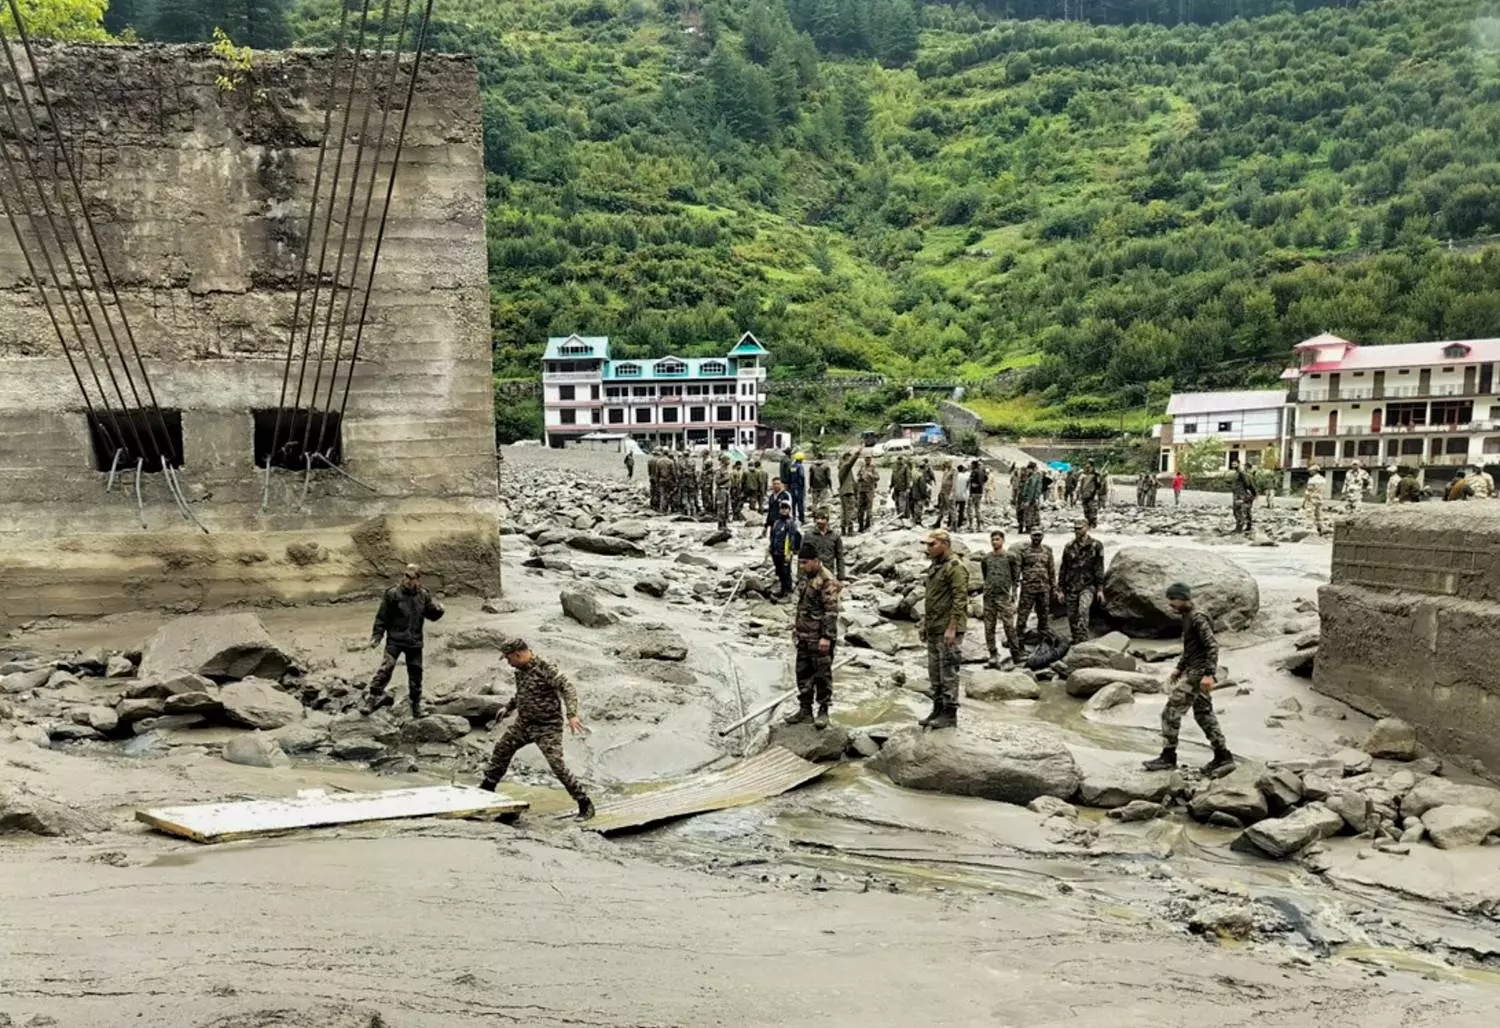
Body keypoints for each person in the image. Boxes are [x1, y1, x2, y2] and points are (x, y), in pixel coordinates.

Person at [479, 638, 593, 820]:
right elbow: (522, 693)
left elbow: (568, 688)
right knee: (502, 749)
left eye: (508, 658)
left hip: (547, 727)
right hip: (524, 724)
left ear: (518, 654)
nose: (508, 662)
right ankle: (486, 789)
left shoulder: (545, 668)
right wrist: (508, 707)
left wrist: (572, 714)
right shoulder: (520, 671)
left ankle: (584, 803)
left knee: (557, 765)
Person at [1143, 583, 1235, 775]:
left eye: (1172, 599)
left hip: (1198, 674)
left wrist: (1208, 675)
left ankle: (1168, 757)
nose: (1170, 604)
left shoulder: (1197, 617)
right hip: (1195, 671)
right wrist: (1179, 668)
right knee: (1203, 714)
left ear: (1183, 598)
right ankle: (1223, 756)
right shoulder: (1188, 616)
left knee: (1170, 712)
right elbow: (1191, 647)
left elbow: (1212, 646)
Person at [363, 564, 444, 717]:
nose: (407, 580)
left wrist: (440, 610)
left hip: (414, 642)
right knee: (386, 668)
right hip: (395, 640)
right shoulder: (393, 594)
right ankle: (371, 698)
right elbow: (382, 617)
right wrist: (377, 636)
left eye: (411, 578)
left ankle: (416, 707)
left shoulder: (423, 595)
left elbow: (431, 614)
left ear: (418, 579)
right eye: (406, 576)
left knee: (416, 674)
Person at [786, 542, 841, 729]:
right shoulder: (806, 577)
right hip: (804, 635)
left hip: (819, 637)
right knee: (802, 672)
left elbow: (831, 612)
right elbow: (802, 605)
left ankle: (823, 710)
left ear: (816, 561)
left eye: (805, 562)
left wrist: (826, 637)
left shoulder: (827, 580)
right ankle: (805, 709)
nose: (802, 566)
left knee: (822, 674)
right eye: (800, 562)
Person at [918, 529, 968, 730]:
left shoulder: (955, 567)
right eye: (927, 545)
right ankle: (937, 708)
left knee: (948, 670)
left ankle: (949, 713)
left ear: (945, 544)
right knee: (934, 672)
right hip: (934, 625)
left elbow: (960, 599)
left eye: (932, 544)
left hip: (947, 627)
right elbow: (931, 598)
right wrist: (925, 624)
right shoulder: (936, 565)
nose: (928, 548)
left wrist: (952, 628)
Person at [1057, 520, 1104, 645]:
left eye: (1080, 528)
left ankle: (1083, 640)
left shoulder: (1096, 545)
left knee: (1083, 610)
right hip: (1071, 586)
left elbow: (1099, 567)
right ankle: (1075, 639)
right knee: (1072, 615)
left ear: (1087, 528)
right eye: (1075, 528)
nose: (1077, 531)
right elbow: (1063, 568)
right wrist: (1060, 589)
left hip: (1088, 585)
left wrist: (1100, 589)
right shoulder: (1069, 547)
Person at [980, 529, 1021, 668]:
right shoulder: (986, 558)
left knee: (1009, 626)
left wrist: (1014, 593)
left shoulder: (1010, 557)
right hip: (989, 597)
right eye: (992, 539)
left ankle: (1016, 653)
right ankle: (992, 654)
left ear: (1003, 540)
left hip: (1004, 596)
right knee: (989, 627)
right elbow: (985, 575)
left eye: (997, 539)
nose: (994, 542)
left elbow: (1015, 578)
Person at [1015, 530, 1055, 639]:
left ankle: (1043, 636)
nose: (1037, 538)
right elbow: (1017, 570)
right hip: (1028, 589)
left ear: (1043, 536)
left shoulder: (1047, 551)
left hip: (1043, 588)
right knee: (1023, 614)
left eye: (1039, 535)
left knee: (1043, 614)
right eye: (1034, 535)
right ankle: (1019, 636)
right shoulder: (1024, 551)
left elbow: (1051, 570)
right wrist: (1015, 587)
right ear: (1030, 536)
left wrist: (1054, 587)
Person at [769, 499, 802, 599]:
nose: (784, 510)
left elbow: (792, 538)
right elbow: (773, 536)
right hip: (776, 552)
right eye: (782, 508)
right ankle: (782, 590)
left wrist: (790, 551)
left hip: (785, 552)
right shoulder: (777, 522)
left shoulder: (790, 523)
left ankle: (788, 592)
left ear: (789, 509)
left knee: (786, 572)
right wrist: (770, 548)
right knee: (779, 572)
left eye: (786, 508)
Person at [804, 506, 845, 581]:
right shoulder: (808, 535)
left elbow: (840, 557)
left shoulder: (835, 536)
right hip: (812, 575)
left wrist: (841, 576)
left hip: (829, 574)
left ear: (827, 520)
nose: (819, 521)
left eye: (822, 518)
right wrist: (801, 577)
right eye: (817, 518)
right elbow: (802, 557)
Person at [1230, 458, 1257, 534]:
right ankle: (1248, 527)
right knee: (1246, 511)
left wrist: (1251, 493)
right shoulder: (1238, 473)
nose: (1233, 465)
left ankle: (1239, 529)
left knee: (1238, 511)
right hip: (1240, 494)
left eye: (1235, 464)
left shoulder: (1242, 473)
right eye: (1232, 464)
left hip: (1241, 495)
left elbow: (1247, 484)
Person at [837, 449, 859, 535]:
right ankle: (850, 530)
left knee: (844, 511)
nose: (850, 458)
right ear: (846, 458)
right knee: (849, 510)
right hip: (848, 492)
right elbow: (851, 462)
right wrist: (858, 452)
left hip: (844, 492)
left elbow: (853, 482)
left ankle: (843, 529)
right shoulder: (844, 467)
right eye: (848, 456)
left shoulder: (844, 469)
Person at [856, 455, 880, 532]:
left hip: (869, 490)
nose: (867, 460)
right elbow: (858, 477)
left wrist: (871, 475)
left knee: (869, 508)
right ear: (864, 459)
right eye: (866, 459)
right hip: (862, 490)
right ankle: (860, 526)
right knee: (860, 509)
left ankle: (868, 525)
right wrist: (860, 478)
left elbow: (877, 477)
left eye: (869, 459)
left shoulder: (873, 468)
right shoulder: (862, 467)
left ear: (870, 460)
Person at [1020, 460, 1044, 533]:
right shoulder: (1032, 476)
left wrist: (1028, 500)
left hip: (1031, 499)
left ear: (1031, 469)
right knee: (1033, 513)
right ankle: (1033, 527)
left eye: (1029, 469)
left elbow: (1032, 489)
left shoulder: (1034, 477)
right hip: (1030, 499)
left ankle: (1029, 528)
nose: (1027, 470)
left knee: (1030, 513)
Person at [1303, 464, 1327, 536]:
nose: (1310, 472)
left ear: (1315, 471)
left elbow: (1308, 491)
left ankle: (1310, 531)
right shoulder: (1323, 479)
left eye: (1311, 471)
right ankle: (1320, 529)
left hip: (1312, 499)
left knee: (1309, 515)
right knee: (1319, 515)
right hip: (1319, 499)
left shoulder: (1312, 480)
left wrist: (1304, 501)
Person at [1077, 461, 1102, 528]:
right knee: (1086, 510)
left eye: (1089, 467)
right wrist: (1080, 494)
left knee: (1092, 510)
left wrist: (1096, 493)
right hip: (1084, 495)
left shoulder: (1095, 475)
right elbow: (1081, 486)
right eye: (1086, 467)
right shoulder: (1083, 475)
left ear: (1092, 467)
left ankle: (1093, 524)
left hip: (1092, 496)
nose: (1087, 468)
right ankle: (1088, 524)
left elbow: (1099, 485)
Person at [932, 459, 955, 529]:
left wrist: (952, 493)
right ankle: (937, 523)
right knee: (941, 508)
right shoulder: (946, 471)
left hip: (948, 492)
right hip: (943, 492)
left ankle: (953, 525)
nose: (945, 464)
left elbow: (954, 483)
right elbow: (943, 482)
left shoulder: (954, 470)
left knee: (951, 509)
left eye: (946, 463)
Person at [890, 454, 912, 521]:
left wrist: (908, 488)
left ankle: (902, 517)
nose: (899, 461)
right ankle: (900, 516)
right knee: (897, 502)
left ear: (903, 460)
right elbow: (893, 477)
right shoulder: (895, 467)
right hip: (896, 488)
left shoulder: (905, 467)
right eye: (898, 459)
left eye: (901, 459)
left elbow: (908, 478)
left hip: (903, 488)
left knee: (902, 503)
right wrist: (891, 486)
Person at [967, 459, 987, 531]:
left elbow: (971, 480)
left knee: (970, 509)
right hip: (980, 492)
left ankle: (971, 526)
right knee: (978, 509)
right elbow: (986, 478)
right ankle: (979, 526)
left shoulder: (974, 472)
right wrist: (981, 484)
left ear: (974, 465)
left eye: (971, 465)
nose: (970, 466)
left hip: (973, 492)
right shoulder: (982, 472)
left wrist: (973, 483)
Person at [951, 462, 971, 531]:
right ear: (963, 469)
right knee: (961, 511)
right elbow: (968, 485)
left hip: (955, 495)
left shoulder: (955, 476)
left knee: (953, 510)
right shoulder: (966, 477)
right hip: (963, 495)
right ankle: (960, 524)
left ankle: (951, 523)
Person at [714, 455, 732, 530]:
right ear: (724, 461)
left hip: (727, 490)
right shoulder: (719, 470)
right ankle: (720, 525)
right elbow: (717, 481)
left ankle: (725, 525)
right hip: (721, 491)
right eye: (728, 460)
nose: (729, 461)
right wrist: (726, 478)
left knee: (726, 509)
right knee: (721, 509)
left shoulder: (727, 469)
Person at [789, 451, 807, 521]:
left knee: (793, 503)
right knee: (800, 502)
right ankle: (801, 518)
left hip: (792, 486)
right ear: (801, 459)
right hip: (799, 487)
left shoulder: (792, 466)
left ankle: (793, 516)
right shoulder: (800, 466)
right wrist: (803, 485)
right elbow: (801, 476)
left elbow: (790, 476)